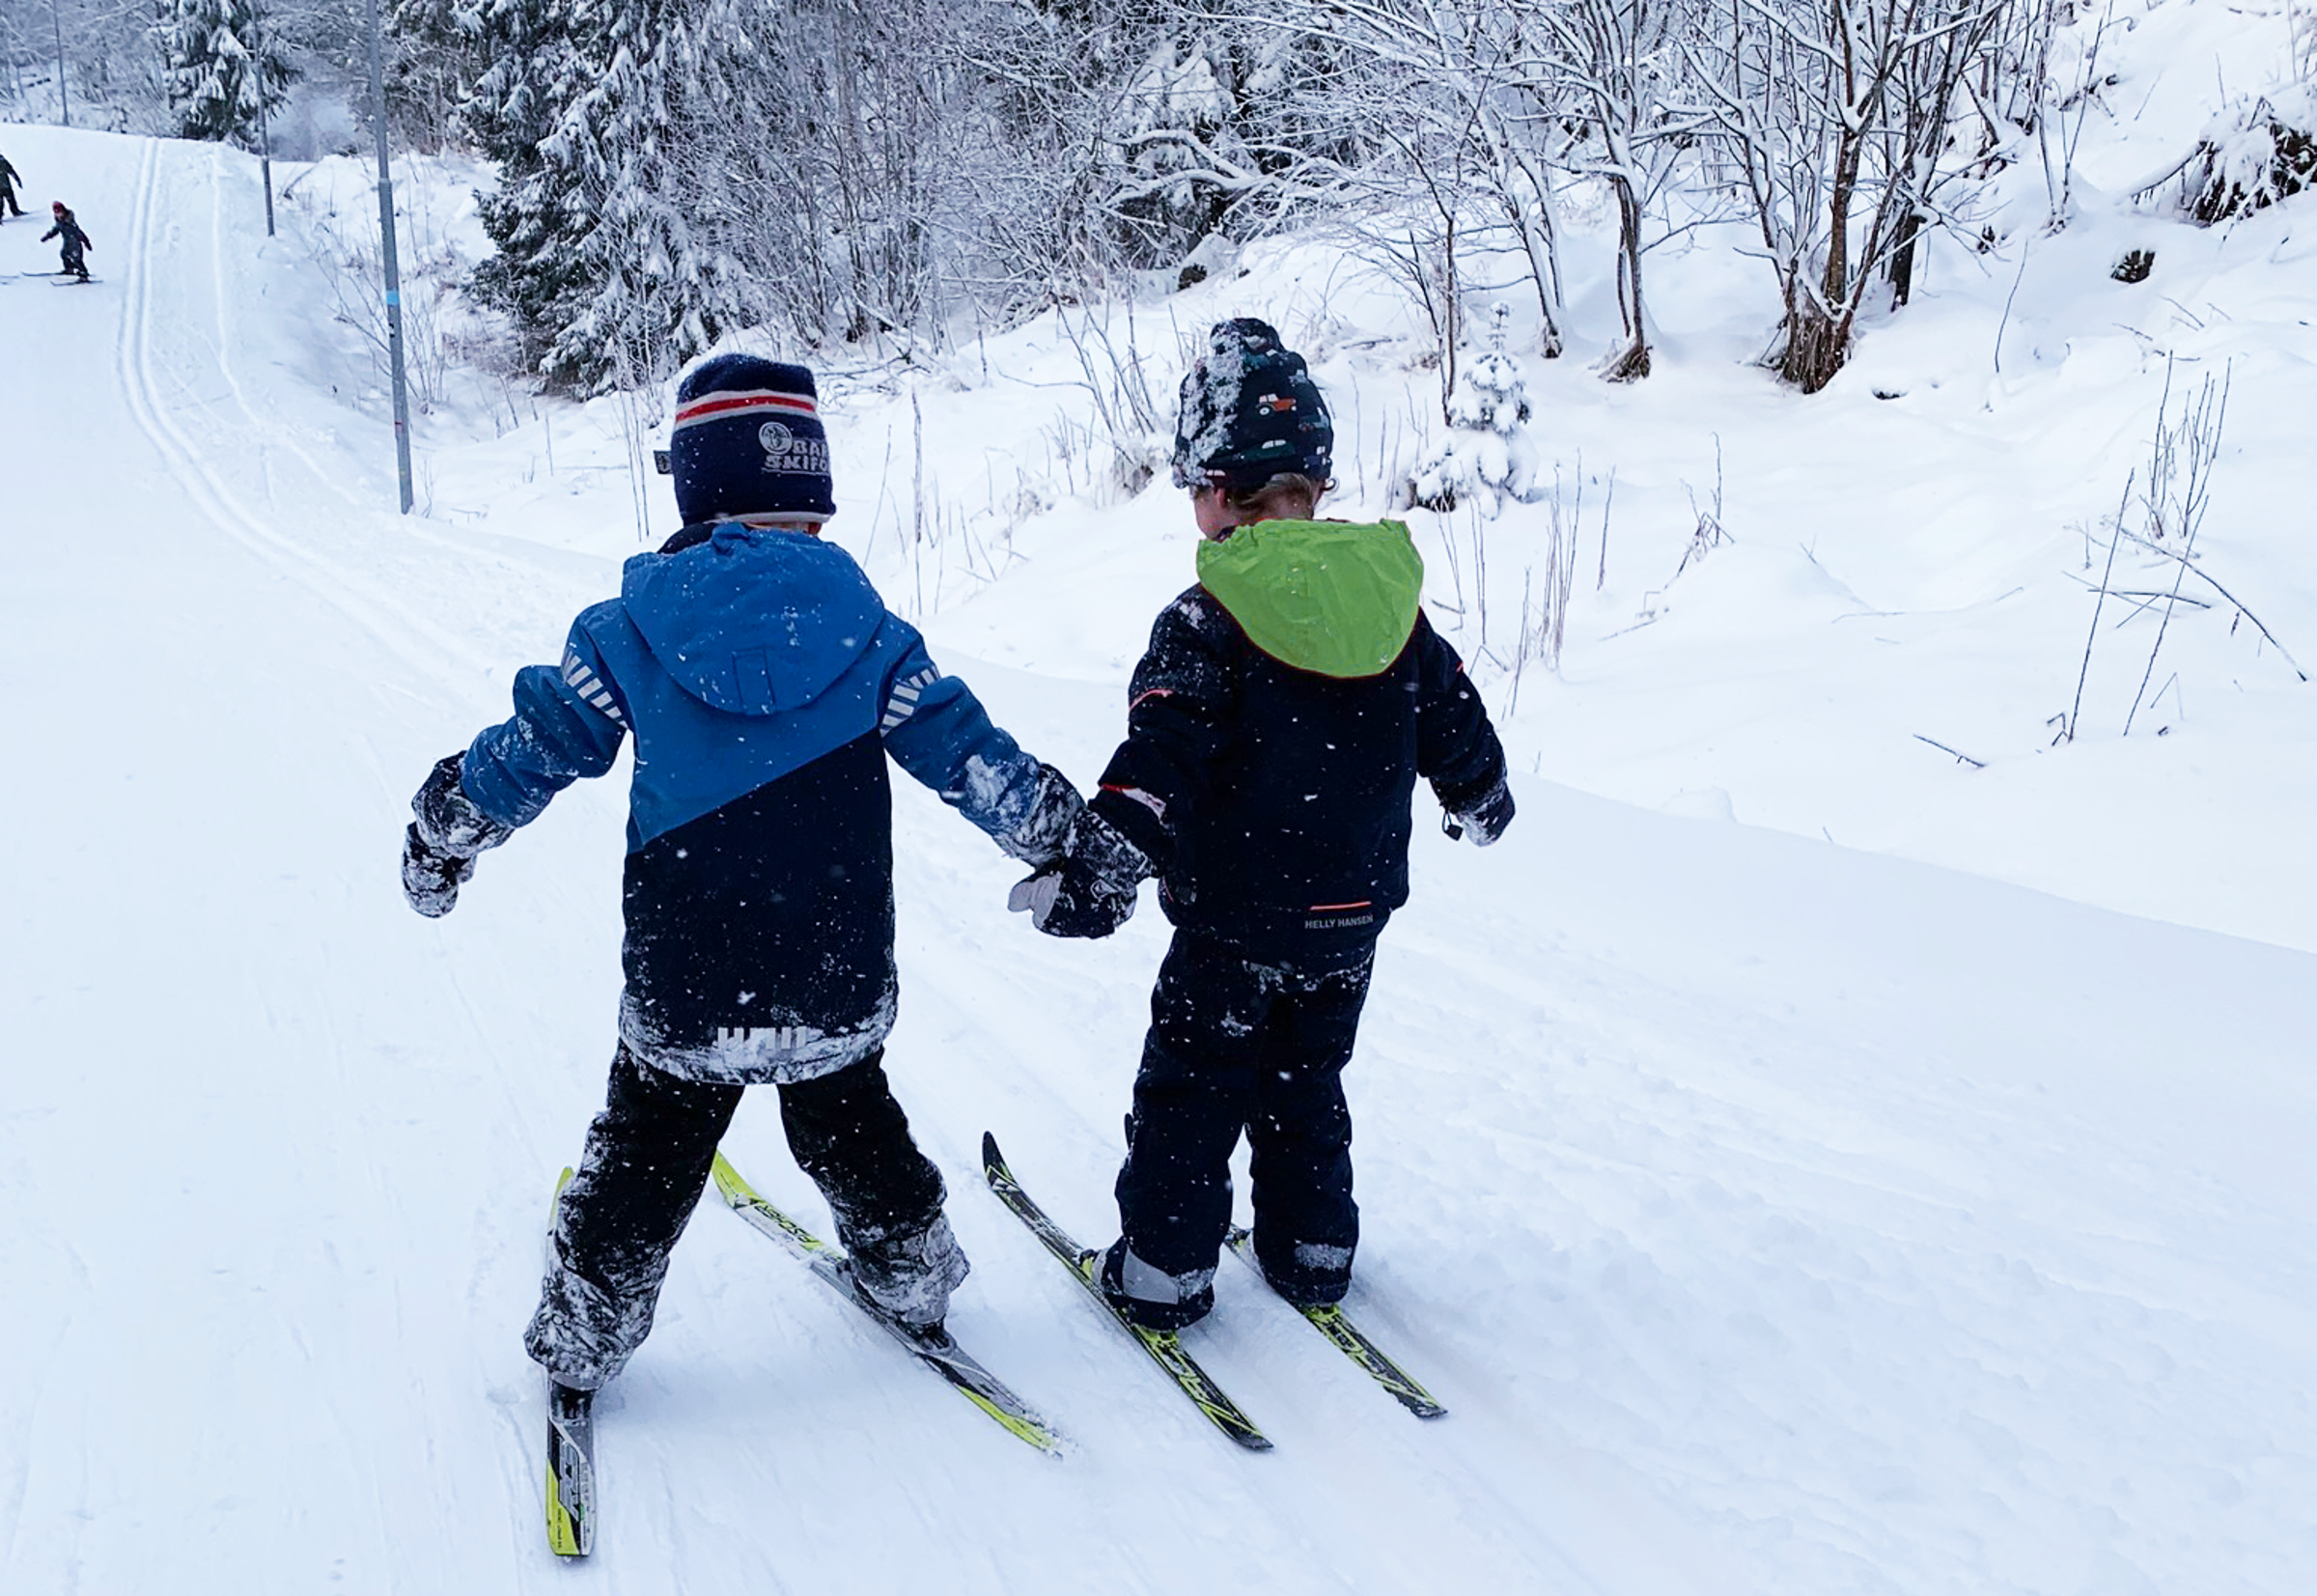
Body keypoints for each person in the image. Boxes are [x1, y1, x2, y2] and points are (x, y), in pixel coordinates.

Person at [402, 353, 1083, 1392]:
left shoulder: (626, 635)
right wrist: (1065, 838)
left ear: (698, 490)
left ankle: (589, 1328)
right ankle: (909, 1270)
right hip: (834, 966)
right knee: (853, 1122)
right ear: (812, 498)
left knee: (648, 1152)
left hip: (688, 973)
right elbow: (972, 759)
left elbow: (532, 752)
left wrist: (446, 824)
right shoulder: (873, 639)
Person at [1011, 318, 1516, 1330]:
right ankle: (1315, 1253)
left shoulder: (1208, 618)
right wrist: (1478, 794)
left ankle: (1164, 1271)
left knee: (1193, 1095)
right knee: (1305, 1088)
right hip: (1351, 918)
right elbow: (1453, 716)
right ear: (1314, 481)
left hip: (1232, 926)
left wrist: (1100, 870)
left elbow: (1160, 765)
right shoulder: (1391, 604)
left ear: (1211, 491)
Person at [42, 201, 92, 280]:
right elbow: (56, 230)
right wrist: (48, 236)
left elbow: (80, 234)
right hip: (67, 242)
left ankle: (83, 274)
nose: (58, 215)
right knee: (63, 254)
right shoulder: (60, 222)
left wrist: (86, 243)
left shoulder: (70, 224)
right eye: (56, 213)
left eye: (59, 212)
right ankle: (69, 269)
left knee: (77, 259)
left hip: (75, 243)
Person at [0, 153, 23, 219]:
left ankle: (14, 211)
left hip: (4, 185)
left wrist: (17, 179)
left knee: (4, 201)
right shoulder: (2, 161)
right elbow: (11, 171)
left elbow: (11, 170)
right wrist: (17, 179)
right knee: (9, 199)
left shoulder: (2, 161)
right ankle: (15, 211)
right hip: (6, 185)